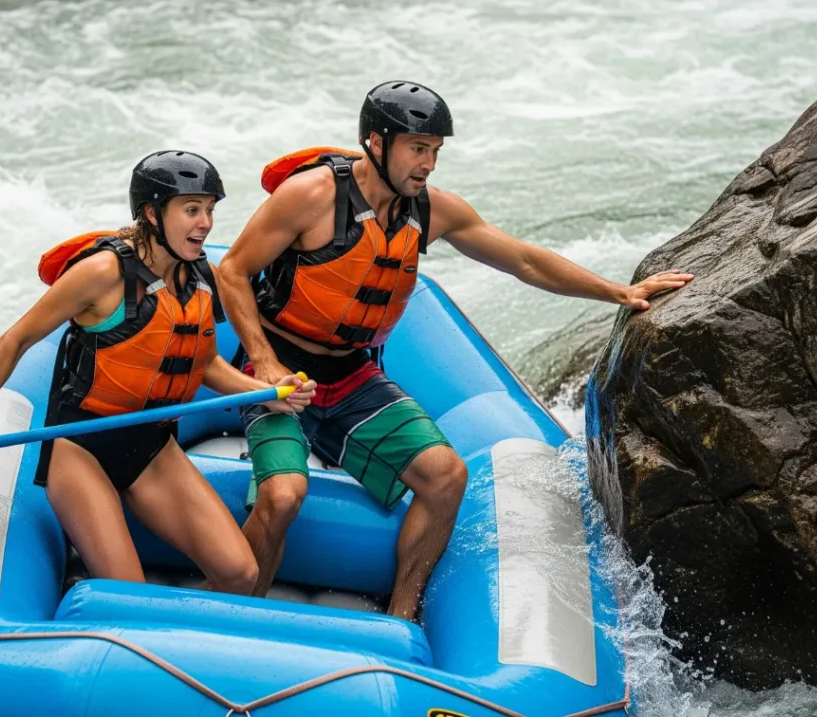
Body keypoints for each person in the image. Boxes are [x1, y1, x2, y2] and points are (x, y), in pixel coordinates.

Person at [217, 81, 693, 619]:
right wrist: (267, 363)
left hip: (350, 376)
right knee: (281, 496)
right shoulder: (311, 196)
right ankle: (236, 619)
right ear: (376, 141)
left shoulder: (432, 212)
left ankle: (400, 620)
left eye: (436, 151)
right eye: (418, 148)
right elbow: (232, 270)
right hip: (280, 374)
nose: (429, 164)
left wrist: (616, 292)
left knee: (446, 476)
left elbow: (524, 260)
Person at [0, 150, 315, 595]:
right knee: (130, 591)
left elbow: (203, 364)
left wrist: (265, 391)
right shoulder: (102, 274)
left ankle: (183, 642)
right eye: (192, 210)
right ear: (151, 213)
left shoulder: (201, 277)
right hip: (82, 445)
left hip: (150, 444)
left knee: (241, 572)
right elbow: (16, 340)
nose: (205, 223)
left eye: (210, 210)